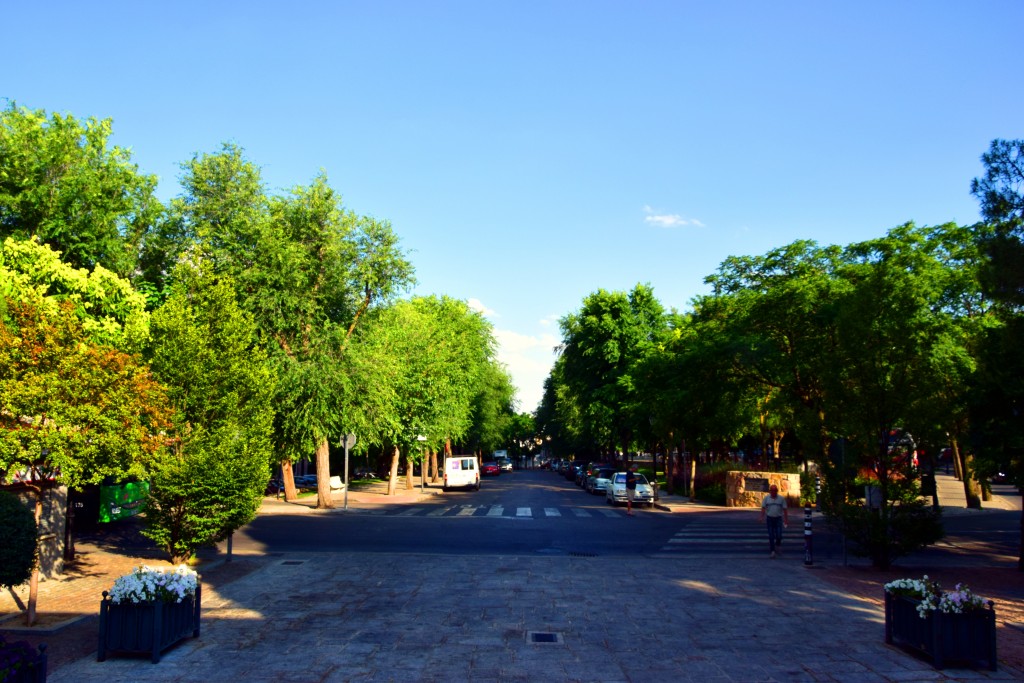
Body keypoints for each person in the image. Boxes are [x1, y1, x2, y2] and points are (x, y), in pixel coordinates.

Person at [759, 484, 788, 558]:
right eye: (772, 490)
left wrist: (786, 520)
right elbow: (763, 508)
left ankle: (778, 545)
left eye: (775, 490)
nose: (773, 492)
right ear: (770, 491)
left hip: (778, 518)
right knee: (771, 535)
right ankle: (772, 551)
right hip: (770, 518)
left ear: (777, 491)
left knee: (779, 535)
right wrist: (761, 517)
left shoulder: (781, 499)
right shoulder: (766, 498)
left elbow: (785, 509)